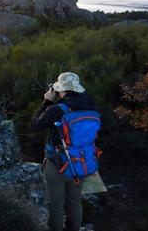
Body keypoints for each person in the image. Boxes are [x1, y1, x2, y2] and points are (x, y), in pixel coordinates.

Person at [31, 72, 98, 231]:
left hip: (58, 165)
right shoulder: (91, 106)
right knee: (75, 202)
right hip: (81, 162)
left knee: (56, 204)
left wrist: (46, 101)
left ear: (63, 90)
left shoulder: (56, 109)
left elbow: (35, 125)